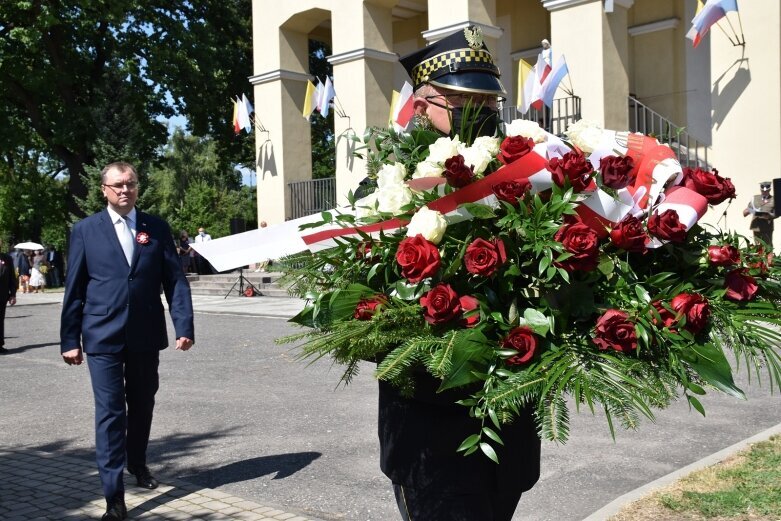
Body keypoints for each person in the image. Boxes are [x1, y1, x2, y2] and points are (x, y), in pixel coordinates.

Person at [376, 26, 541, 521]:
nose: (485, 118)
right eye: (470, 105)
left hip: (504, 436)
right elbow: (370, 319)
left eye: (490, 106)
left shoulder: (528, 188)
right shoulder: (388, 192)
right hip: (429, 441)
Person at [60, 162, 194, 521]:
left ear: (137, 188)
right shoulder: (86, 230)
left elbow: (175, 281)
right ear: (103, 189)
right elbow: (74, 289)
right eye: (117, 185)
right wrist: (69, 339)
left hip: (146, 334)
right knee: (110, 413)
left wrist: (184, 326)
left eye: (131, 184)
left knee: (143, 402)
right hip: (101, 335)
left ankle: (138, 462)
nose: (125, 190)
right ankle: (113, 496)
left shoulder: (156, 228)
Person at [743, 181, 776, 248]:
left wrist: (770, 216)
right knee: (758, 247)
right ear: (760, 189)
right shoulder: (755, 198)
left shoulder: (774, 199)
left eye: (766, 190)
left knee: (768, 247)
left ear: (769, 189)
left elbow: (777, 213)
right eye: (763, 190)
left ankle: (769, 258)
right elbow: (745, 211)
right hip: (756, 226)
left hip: (767, 227)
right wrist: (749, 211)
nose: (764, 191)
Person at [0, 239, 18, 353]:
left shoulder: (7, 258)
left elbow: (12, 277)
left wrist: (13, 294)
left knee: (0, 320)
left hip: (2, 295)